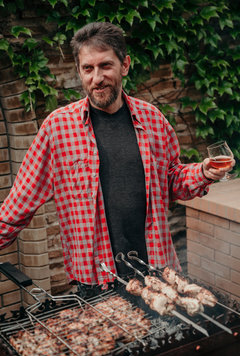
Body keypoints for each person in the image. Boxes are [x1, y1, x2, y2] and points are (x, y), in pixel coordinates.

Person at [0, 22, 235, 296]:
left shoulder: (153, 120)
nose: (96, 78)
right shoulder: (57, 129)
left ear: (125, 65)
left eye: (105, 66)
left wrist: (204, 172)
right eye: (88, 68)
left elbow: (171, 181)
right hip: (97, 280)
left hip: (157, 273)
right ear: (80, 71)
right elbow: (19, 203)